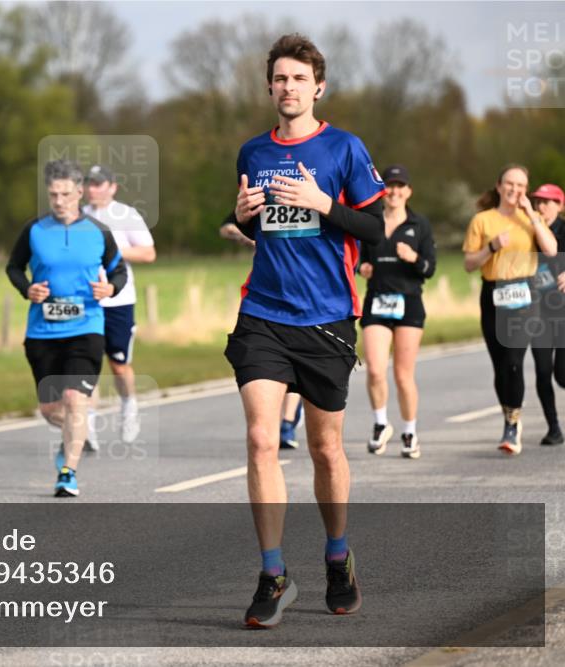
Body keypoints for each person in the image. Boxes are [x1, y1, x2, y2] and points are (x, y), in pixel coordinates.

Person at [221, 34, 386, 628]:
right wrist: (242, 220)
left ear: (318, 86)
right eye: (279, 79)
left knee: (324, 448)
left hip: (326, 319)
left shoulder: (344, 148)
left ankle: (338, 557)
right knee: (263, 440)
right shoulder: (252, 153)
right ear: (269, 87)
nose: (288, 88)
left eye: (299, 79)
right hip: (264, 315)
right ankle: (273, 573)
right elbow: (261, 226)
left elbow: (374, 232)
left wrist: (322, 202)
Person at [6, 159, 126, 497]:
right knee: (50, 410)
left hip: (86, 326)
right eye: (53, 194)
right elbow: (13, 268)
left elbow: (120, 272)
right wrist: (26, 288)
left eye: (65, 194)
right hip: (42, 331)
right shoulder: (34, 230)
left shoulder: (99, 232)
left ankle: (67, 471)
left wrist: (110, 289)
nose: (58, 200)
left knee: (74, 398)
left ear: (78, 192)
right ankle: (77, 431)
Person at [463, 164, 557, 456]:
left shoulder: (533, 218)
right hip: (493, 293)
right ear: (499, 186)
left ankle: (512, 425)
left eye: (520, 185)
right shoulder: (482, 220)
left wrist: (532, 215)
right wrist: (490, 247)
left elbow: (551, 250)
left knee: (515, 359)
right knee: (501, 365)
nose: (515, 189)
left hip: (524, 296)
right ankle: (510, 415)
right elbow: (469, 264)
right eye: (510, 184)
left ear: (525, 190)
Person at [358, 165, 437, 459]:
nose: (393, 191)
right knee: (376, 370)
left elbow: (430, 268)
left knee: (404, 375)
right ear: (383, 190)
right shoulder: (372, 223)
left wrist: (413, 256)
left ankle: (410, 431)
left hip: (409, 303)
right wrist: (361, 268)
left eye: (399, 185)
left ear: (408, 191)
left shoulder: (420, 225)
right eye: (389, 186)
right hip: (377, 300)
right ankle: (381, 424)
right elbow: (356, 259)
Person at [82, 164, 155, 447]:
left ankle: (129, 405)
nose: (92, 189)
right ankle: (86, 425)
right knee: (88, 363)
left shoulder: (126, 215)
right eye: (89, 184)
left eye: (99, 184)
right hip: (87, 300)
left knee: (118, 364)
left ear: (112, 187)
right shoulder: (79, 217)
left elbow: (149, 252)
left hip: (120, 300)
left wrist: (111, 250)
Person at [219, 212, 304, 450]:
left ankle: (287, 424)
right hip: (266, 295)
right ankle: (281, 422)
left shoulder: (310, 200)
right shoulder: (261, 194)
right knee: (273, 365)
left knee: (297, 365)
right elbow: (226, 226)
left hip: (304, 295)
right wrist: (241, 232)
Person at [527, 183, 565, 445]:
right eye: (538, 202)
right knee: (542, 371)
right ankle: (553, 428)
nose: (542, 207)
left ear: (560, 206)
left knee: (562, 375)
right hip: (538, 313)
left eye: (548, 202)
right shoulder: (528, 231)